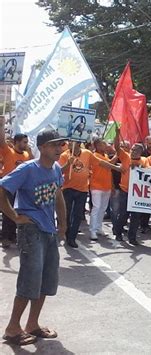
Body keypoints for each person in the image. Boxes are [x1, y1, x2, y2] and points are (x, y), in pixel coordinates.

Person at [0, 129, 67, 346]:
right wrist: (14, 216)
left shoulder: (56, 168)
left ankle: (32, 324)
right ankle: (12, 329)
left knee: (46, 280)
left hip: (49, 231)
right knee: (29, 279)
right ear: (42, 147)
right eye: (54, 145)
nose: (59, 148)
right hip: (31, 230)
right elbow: (2, 190)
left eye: (60, 144)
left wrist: (63, 223)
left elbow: (58, 195)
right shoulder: (28, 169)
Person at [59, 141, 119, 248]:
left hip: (82, 189)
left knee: (77, 215)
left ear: (78, 143)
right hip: (68, 188)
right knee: (67, 213)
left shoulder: (87, 153)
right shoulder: (64, 155)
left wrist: (116, 168)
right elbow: (58, 171)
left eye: (73, 142)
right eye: (69, 142)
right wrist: (68, 164)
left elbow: (101, 162)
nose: (69, 144)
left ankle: (72, 238)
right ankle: (67, 233)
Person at [0, 116, 32, 249]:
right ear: (16, 142)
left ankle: (12, 235)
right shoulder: (8, 151)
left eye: (27, 142)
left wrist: (30, 153)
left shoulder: (25, 155)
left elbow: (33, 165)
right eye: (24, 142)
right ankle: (5, 237)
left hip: (20, 189)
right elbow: (1, 140)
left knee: (16, 212)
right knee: (8, 213)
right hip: (7, 188)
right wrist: (1, 125)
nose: (26, 144)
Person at [113, 129, 149, 245]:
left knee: (135, 216)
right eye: (132, 149)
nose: (133, 151)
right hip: (125, 191)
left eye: (136, 150)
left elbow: (150, 171)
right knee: (123, 214)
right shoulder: (125, 157)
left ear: (141, 152)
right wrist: (118, 134)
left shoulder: (144, 161)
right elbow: (117, 147)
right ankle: (118, 233)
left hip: (137, 194)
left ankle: (132, 237)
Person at [89, 138, 118, 240]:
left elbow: (109, 172)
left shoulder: (104, 155)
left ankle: (98, 228)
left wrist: (112, 186)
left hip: (106, 186)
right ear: (97, 146)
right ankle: (92, 230)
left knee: (103, 208)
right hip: (96, 186)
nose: (105, 146)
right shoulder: (94, 155)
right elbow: (109, 165)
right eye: (102, 144)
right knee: (96, 208)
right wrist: (118, 153)